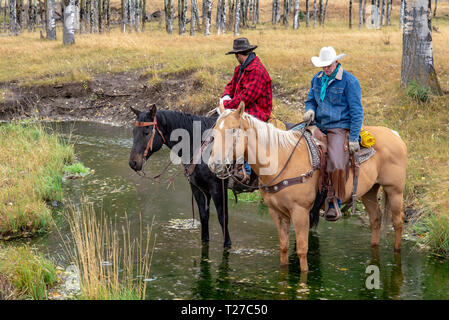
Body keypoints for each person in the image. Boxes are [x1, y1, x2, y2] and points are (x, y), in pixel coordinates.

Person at [303, 46, 364, 221]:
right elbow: (310, 100)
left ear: (336, 62)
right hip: (319, 126)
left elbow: (357, 111)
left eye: (328, 65)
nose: (326, 68)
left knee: (337, 162)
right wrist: (310, 110)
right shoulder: (317, 79)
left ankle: (334, 199)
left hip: (338, 127)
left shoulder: (349, 81)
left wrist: (353, 137)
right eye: (323, 66)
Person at [220, 38, 273, 178]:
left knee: (242, 129)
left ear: (239, 54)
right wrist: (225, 96)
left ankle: (245, 169)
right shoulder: (240, 68)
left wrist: (226, 105)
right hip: (242, 108)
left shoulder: (257, 71)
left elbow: (247, 97)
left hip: (257, 111)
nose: (236, 58)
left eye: (236, 55)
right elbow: (230, 86)